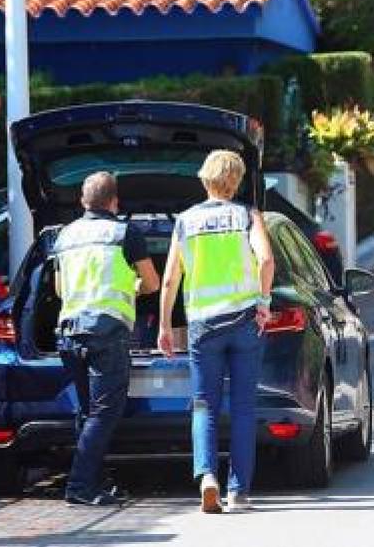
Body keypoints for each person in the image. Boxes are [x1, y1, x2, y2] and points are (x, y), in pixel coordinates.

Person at [158, 150, 276, 514]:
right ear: (236, 180)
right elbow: (267, 260)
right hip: (243, 321)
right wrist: (263, 301)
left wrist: (164, 326)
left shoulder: (185, 222)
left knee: (204, 404)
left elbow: (169, 279)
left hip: (203, 325)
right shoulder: (246, 215)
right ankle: (238, 491)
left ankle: (207, 476)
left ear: (204, 178)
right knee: (242, 407)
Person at [54, 171, 161, 506]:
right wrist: (131, 288)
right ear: (115, 202)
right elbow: (152, 283)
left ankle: (97, 482)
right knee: (105, 413)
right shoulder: (124, 233)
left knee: (87, 413)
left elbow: (59, 290)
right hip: (107, 332)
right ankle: (80, 486)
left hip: (70, 332)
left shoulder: (64, 236)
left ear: (82, 201)